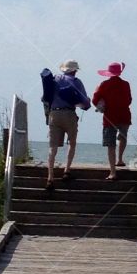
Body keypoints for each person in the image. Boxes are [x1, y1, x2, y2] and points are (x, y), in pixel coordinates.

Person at [40, 60, 91, 189]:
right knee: (72, 142)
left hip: (54, 114)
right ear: (75, 70)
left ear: (64, 69)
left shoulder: (55, 79)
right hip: (69, 114)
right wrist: (86, 103)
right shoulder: (77, 82)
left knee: (52, 148)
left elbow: (44, 98)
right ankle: (66, 170)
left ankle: (50, 178)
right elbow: (85, 103)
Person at [92, 61, 132, 180]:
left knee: (111, 144)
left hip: (110, 117)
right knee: (123, 137)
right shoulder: (126, 84)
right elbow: (129, 100)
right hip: (124, 115)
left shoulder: (104, 84)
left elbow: (95, 100)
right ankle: (120, 159)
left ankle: (113, 172)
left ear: (109, 73)